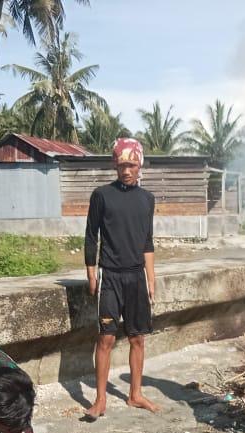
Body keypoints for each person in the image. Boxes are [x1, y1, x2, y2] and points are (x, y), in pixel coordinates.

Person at [83, 137, 159, 418]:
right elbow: (91, 236)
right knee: (106, 339)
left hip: (136, 277)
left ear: (140, 165)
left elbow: (147, 242)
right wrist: (92, 273)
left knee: (138, 338)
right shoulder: (102, 195)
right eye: (122, 164)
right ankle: (100, 399)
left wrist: (151, 278)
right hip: (110, 276)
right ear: (115, 164)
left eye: (132, 164)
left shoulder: (147, 199)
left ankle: (135, 394)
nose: (127, 170)